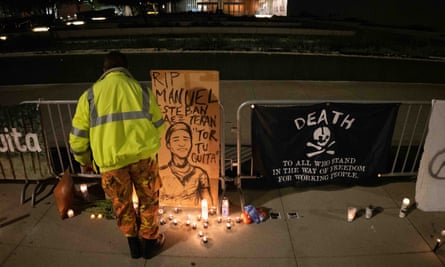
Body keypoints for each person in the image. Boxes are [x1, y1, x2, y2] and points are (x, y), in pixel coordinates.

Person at [69, 51, 166, 259]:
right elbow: (159, 125)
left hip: (111, 163)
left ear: (104, 70)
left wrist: (84, 160)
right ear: (126, 69)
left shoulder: (90, 96)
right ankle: (149, 244)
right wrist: (147, 145)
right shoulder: (141, 90)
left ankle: (133, 245)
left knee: (122, 204)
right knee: (149, 199)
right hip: (142, 159)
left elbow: (77, 138)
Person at [159, 122, 214, 207]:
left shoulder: (200, 174)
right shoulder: (161, 173)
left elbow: (208, 204)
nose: (182, 144)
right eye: (176, 140)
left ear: (191, 143)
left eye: (186, 139)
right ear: (168, 145)